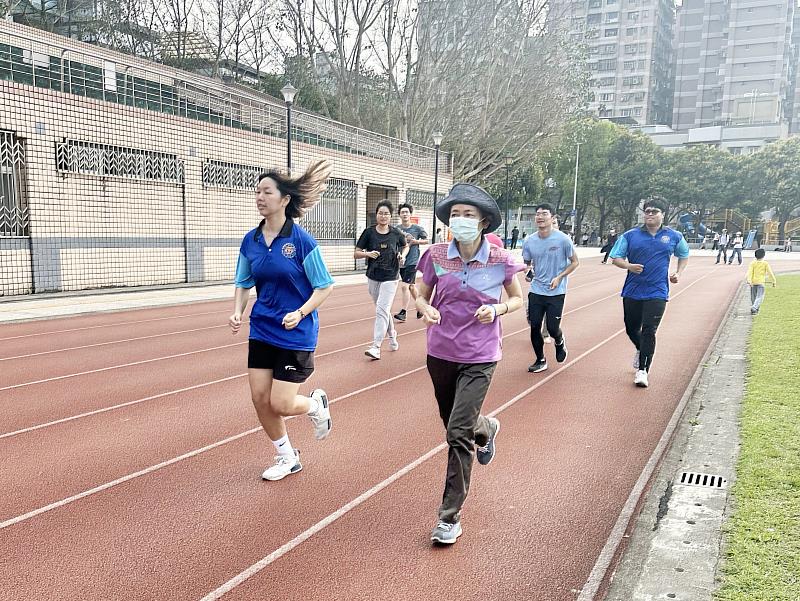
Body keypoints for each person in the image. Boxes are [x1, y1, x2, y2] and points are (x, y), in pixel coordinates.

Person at [414, 183, 525, 545]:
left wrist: (496, 309)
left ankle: (449, 517)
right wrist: (424, 307)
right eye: (455, 215)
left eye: (468, 215)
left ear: (484, 222)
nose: (460, 221)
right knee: (455, 423)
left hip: (480, 355)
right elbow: (420, 290)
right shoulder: (434, 255)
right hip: (441, 351)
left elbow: (517, 299)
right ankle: (487, 428)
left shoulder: (500, 260)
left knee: (456, 434)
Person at [230, 161, 335, 481]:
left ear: (284, 199)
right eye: (257, 192)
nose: (260, 197)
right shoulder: (251, 240)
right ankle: (286, 456)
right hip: (262, 327)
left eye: (267, 192)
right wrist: (238, 310)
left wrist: (301, 311)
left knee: (282, 403)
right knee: (260, 399)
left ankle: (316, 407)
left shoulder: (302, 241)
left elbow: (324, 286)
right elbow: (243, 281)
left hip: (296, 332)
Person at [609, 197, 689, 388]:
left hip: (658, 291)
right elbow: (615, 257)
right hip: (633, 290)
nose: (650, 214)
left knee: (649, 331)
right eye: (647, 211)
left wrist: (678, 272)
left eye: (654, 211)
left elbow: (684, 255)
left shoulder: (674, 236)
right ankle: (640, 348)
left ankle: (643, 370)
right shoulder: (630, 235)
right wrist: (628, 265)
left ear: (663, 214)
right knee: (631, 328)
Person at [522, 203, 580, 373]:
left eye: (544, 214)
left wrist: (560, 277)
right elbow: (527, 262)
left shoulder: (563, 239)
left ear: (553, 218)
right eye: (537, 214)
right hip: (537, 290)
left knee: (553, 329)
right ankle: (540, 359)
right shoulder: (530, 241)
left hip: (556, 291)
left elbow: (575, 262)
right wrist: (528, 270)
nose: (540, 217)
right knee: (534, 326)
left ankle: (559, 341)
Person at [355, 202, 408, 359]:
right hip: (373, 276)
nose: (383, 216)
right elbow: (356, 253)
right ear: (376, 214)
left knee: (381, 310)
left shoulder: (396, 233)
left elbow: (405, 246)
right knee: (383, 310)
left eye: (386, 214)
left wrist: (402, 255)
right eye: (380, 213)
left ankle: (376, 346)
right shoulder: (368, 233)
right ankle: (392, 335)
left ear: (391, 216)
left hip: (391, 276)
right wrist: (367, 254)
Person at [393, 203, 429, 323]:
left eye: (406, 212)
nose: (404, 214)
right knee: (412, 287)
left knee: (404, 286)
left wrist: (416, 241)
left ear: (410, 214)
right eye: (402, 212)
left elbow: (426, 240)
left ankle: (403, 312)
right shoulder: (397, 229)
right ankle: (421, 308)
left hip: (413, 261)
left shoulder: (417, 228)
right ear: (399, 214)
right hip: (401, 261)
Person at [746, 248, 776, 315]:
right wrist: (774, 281)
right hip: (761, 282)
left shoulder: (752, 263)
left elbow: (750, 272)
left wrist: (749, 280)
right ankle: (754, 308)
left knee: (753, 297)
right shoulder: (765, 263)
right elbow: (770, 272)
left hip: (753, 283)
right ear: (764, 255)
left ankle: (755, 309)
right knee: (760, 297)